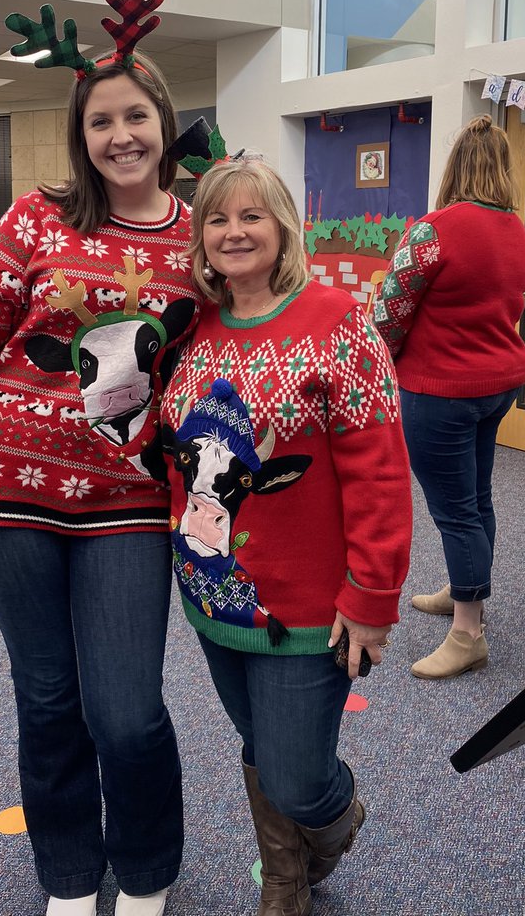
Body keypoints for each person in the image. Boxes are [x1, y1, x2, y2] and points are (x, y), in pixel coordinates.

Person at [0, 10, 200, 916]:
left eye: (135, 116)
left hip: (127, 502)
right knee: (47, 701)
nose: (120, 136)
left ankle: (148, 873)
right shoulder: (36, 218)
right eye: (99, 121)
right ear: (83, 138)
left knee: (127, 711)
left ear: (163, 120)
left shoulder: (198, 239)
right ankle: (71, 878)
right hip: (10, 499)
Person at [160, 156, 412, 916]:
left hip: (310, 602)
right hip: (213, 590)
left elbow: (380, 471)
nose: (233, 232)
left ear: (283, 227)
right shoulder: (191, 327)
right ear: (200, 237)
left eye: (251, 216)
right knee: (262, 744)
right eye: (216, 218)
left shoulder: (338, 323)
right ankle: (284, 876)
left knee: (298, 772)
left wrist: (373, 594)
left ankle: (335, 822)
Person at [374, 114, 525, 680]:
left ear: (456, 166)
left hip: (441, 389)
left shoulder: (434, 230)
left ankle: (468, 632)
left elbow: (389, 311)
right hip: (498, 385)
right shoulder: (516, 229)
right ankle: (465, 592)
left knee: (455, 509)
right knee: (476, 495)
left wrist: (384, 358)